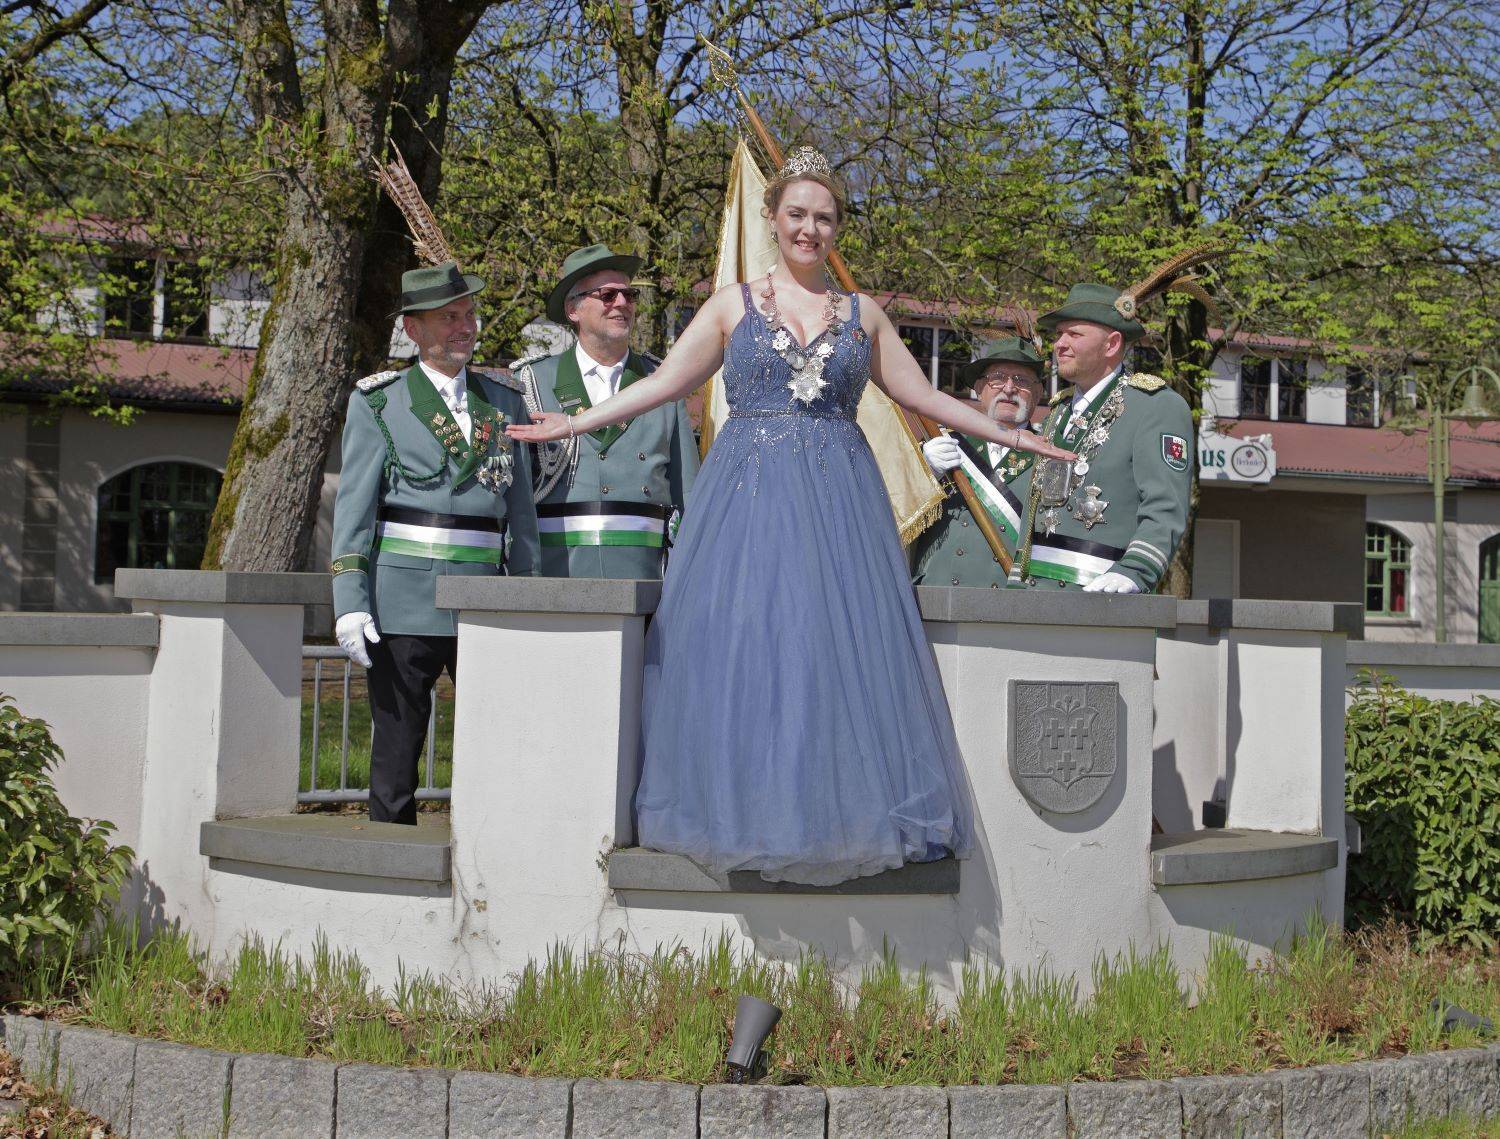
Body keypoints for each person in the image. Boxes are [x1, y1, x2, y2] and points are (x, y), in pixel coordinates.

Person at [509, 148, 1075, 885]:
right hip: (746, 504)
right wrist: (575, 425)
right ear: (772, 219)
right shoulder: (731, 305)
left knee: (832, 650)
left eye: (826, 218)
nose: (811, 229)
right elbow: (665, 383)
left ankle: (835, 816)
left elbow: (924, 396)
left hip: (840, 503)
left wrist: (1006, 431)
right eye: (798, 214)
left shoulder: (862, 314)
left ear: (838, 229)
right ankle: (746, 811)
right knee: (749, 649)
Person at [331, 262, 539, 825]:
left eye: (469, 314)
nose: (465, 326)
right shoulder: (379, 402)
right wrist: (350, 601)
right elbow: (354, 509)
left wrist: (527, 593)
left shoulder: (504, 401)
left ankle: (493, 852)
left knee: (498, 739)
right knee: (397, 747)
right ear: (413, 330)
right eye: (449, 317)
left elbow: (519, 512)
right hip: (402, 602)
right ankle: (389, 863)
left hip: (486, 600)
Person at [510, 245, 699, 578]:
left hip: (643, 576)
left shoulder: (664, 383)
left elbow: (688, 493)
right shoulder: (531, 382)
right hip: (557, 573)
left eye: (629, 295)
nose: (623, 304)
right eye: (608, 295)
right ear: (573, 309)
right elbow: (515, 493)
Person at [1006, 281, 1194, 593]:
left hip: (1105, 596)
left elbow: (1165, 507)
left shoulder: (1156, 405)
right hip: (1034, 598)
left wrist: (1136, 571)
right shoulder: (1056, 413)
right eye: (1058, 334)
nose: (1059, 344)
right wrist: (1017, 580)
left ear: (1111, 344)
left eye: (1074, 334)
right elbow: (1035, 507)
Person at [911, 336, 1048, 587]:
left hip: (1013, 601)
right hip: (939, 595)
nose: (1009, 388)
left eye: (1021, 380)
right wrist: (924, 475)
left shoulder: (1050, 455)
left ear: (1038, 393)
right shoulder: (939, 443)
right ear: (979, 388)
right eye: (997, 378)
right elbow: (896, 515)